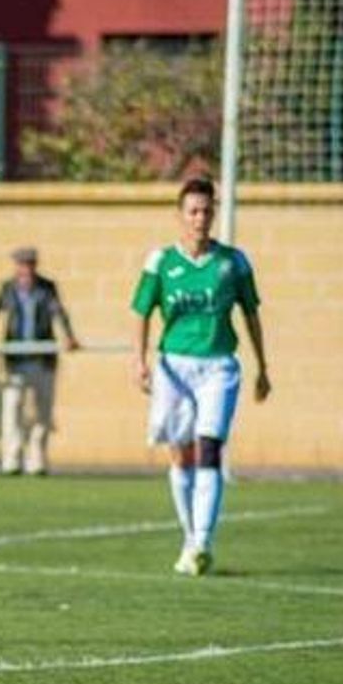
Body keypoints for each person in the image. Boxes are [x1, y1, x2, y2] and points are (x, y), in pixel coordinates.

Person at [132, 176, 271, 577]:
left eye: (206, 211)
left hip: (218, 366)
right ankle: (190, 538)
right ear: (180, 215)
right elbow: (141, 312)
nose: (200, 218)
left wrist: (263, 366)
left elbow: (250, 314)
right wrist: (138, 361)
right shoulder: (161, 262)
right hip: (173, 367)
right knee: (180, 453)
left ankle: (204, 540)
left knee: (209, 448)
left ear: (214, 214)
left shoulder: (233, 262)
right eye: (193, 211)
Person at [0, 247, 81, 476]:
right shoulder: (8, 289)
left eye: (30, 264)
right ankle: (12, 460)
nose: (26, 269)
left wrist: (69, 336)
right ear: (16, 267)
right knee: (12, 409)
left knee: (42, 412)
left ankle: (37, 461)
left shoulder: (47, 288)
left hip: (42, 359)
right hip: (15, 359)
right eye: (22, 264)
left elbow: (59, 313)